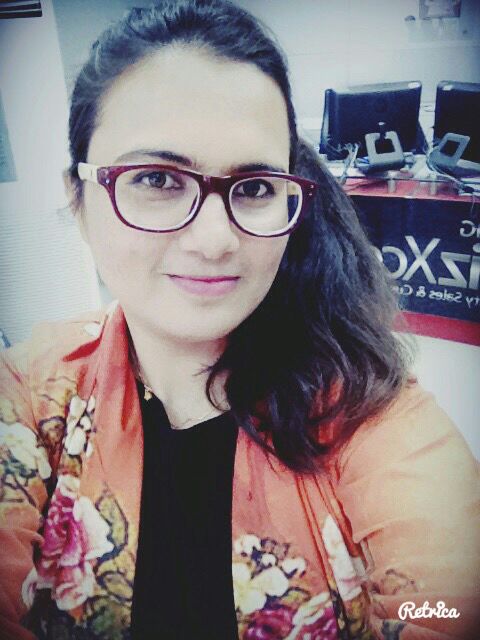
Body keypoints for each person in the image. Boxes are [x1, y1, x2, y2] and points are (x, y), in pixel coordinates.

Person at [0, 1, 478, 638]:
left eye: (253, 187)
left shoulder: (371, 416)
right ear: (79, 201)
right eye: (156, 179)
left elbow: (449, 612)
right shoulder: (32, 394)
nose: (214, 240)